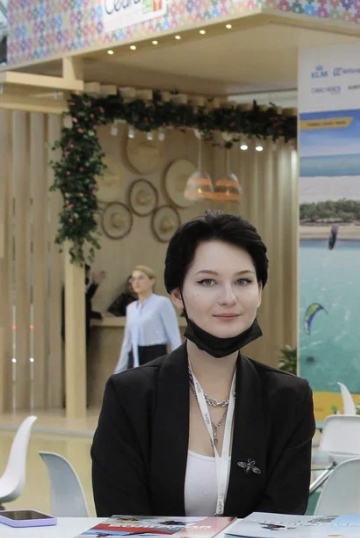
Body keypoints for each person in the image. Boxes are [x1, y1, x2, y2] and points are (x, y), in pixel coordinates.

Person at [91, 213, 315, 518]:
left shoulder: (288, 398)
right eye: (207, 281)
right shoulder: (130, 395)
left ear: (260, 291)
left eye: (243, 281)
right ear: (177, 295)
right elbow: (121, 517)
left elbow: (282, 518)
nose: (228, 298)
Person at [112, 265, 182, 372]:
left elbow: (173, 336)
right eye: (133, 279)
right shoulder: (131, 308)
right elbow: (127, 342)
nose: (136, 282)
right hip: (134, 355)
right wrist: (118, 371)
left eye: (141, 278)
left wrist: (180, 364)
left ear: (152, 281)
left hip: (154, 354)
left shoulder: (162, 303)